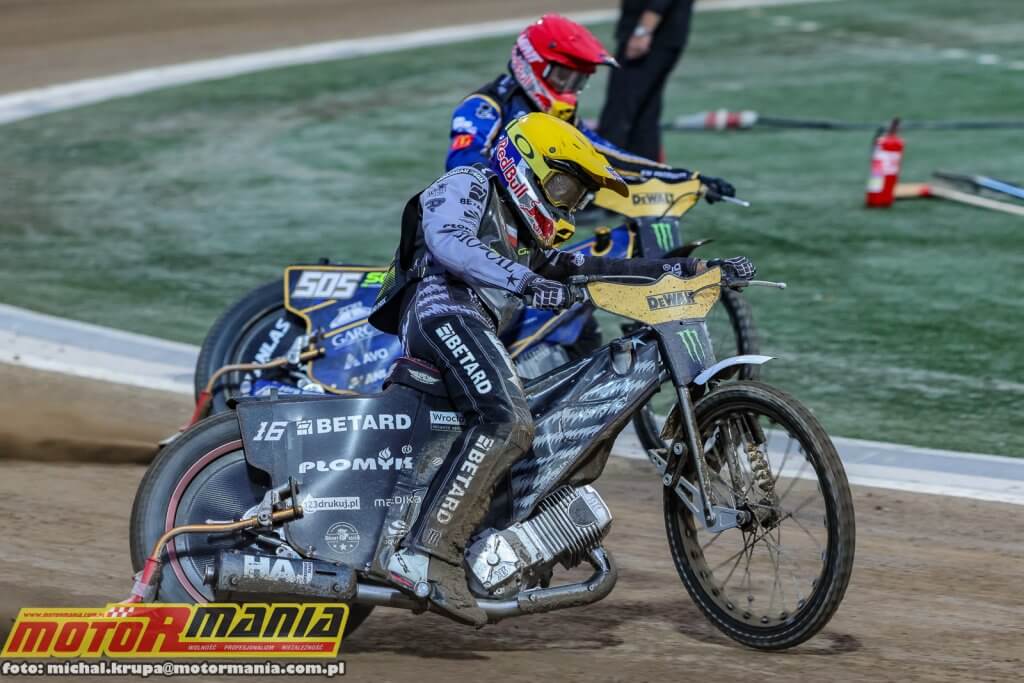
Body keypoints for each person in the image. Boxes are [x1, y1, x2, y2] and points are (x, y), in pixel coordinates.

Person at [369, 112, 755, 626]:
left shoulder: (530, 242)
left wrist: (688, 270)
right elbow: (449, 241)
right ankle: (427, 556)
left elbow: (591, 267)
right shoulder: (468, 182)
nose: (569, 205)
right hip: (440, 310)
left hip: (470, 323)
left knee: (533, 425)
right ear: (524, 166)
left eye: (578, 197)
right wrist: (526, 282)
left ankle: (492, 536)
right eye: (564, 187)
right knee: (507, 420)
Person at [446, 13, 734, 201]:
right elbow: (463, 166)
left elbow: (607, 156)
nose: (569, 90)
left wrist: (687, 178)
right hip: (483, 228)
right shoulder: (485, 107)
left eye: (578, 81)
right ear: (532, 63)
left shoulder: (558, 116)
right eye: (564, 77)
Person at [597, 0, 695, 161]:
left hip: (651, 36)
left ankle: (603, 167)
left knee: (619, 112)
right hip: (665, 33)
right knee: (645, 114)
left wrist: (643, 30)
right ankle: (645, 167)